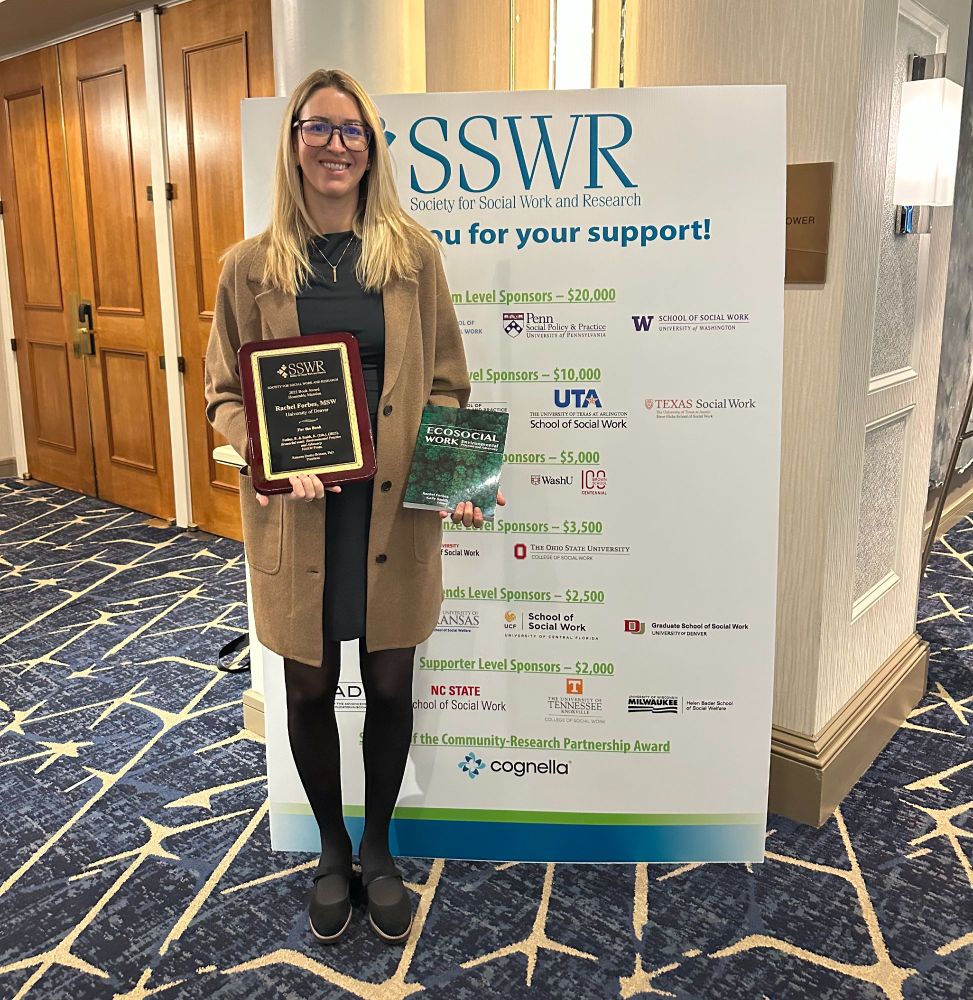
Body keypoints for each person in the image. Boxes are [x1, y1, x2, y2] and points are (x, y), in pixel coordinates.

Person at [204, 68, 503, 945]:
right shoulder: (248, 267)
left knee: (389, 682)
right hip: (299, 517)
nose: (336, 146)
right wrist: (266, 451)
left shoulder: (412, 257)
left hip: (392, 511)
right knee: (306, 685)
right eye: (319, 128)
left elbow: (446, 383)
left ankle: (377, 848)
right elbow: (224, 394)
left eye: (352, 131)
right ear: (293, 140)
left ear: (370, 149)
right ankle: (331, 849)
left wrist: (455, 479)